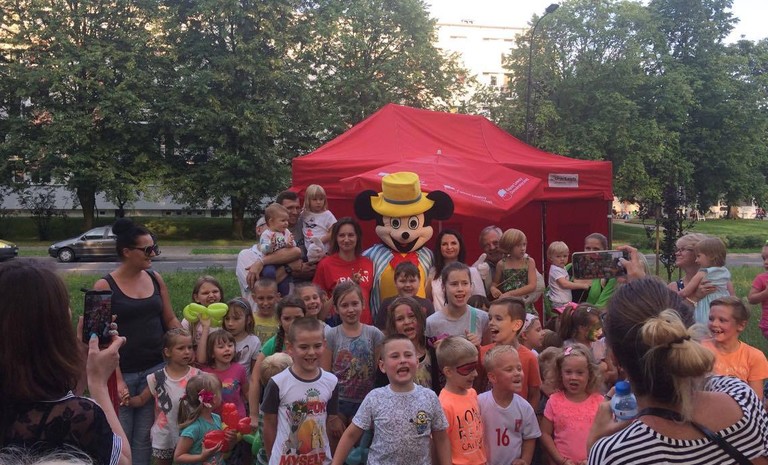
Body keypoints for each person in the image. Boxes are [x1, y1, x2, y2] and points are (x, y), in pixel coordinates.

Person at [587, 276, 768, 465]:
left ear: (614, 357)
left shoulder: (617, 454)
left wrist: (594, 444)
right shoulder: (743, 399)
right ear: (685, 335)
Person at [0, 259, 131, 465]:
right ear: (49, 323)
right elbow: (123, 460)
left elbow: (57, 399)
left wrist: (82, 355)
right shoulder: (81, 416)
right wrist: (97, 383)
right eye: (64, 304)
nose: (69, 311)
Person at [93, 218, 180, 465]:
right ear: (126, 252)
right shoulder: (104, 285)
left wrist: (187, 344)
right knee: (120, 437)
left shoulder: (155, 278)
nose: (153, 253)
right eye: (147, 249)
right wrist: (118, 377)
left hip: (155, 370)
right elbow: (99, 338)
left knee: (144, 437)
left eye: (154, 247)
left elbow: (169, 319)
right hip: (122, 373)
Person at [331, 334, 451, 465]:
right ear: (382, 366)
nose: (402, 360)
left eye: (408, 355)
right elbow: (350, 435)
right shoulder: (375, 398)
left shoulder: (429, 397)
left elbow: (441, 438)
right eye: (395, 356)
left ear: (417, 362)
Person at [261, 317, 344, 465]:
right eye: (304, 347)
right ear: (290, 347)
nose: (311, 352)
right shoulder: (278, 383)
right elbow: (269, 424)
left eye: (317, 346)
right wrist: (271, 458)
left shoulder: (331, 382)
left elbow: (330, 424)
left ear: (324, 344)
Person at [127, 329, 200, 465]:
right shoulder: (157, 377)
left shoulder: (197, 376)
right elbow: (142, 399)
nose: (187, 352)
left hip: (190, 431)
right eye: (181, 348)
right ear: (167, 352)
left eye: (190, 347)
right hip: (164, 432)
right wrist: (129, 401)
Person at [321, 282, 385, 425]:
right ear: (336, 309)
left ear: (363, 304)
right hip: (338, 402)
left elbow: (376, 369)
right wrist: (332, 414)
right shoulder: (331, 335)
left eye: (355, 304)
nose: (350, 310)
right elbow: (325, 374)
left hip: (365, 401)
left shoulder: (374, 334)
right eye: (344, 305)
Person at [247, 296, 308, 426]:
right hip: (275, 409)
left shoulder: (313, 344)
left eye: (298, 318)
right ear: (279, 320)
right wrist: (253, 415)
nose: (293, 323)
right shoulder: (272, 344)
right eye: (287, 318)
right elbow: (255, 379)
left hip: (305, 406)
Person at [539, 344, 603, 465]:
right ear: (560, 373)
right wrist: (560, 460)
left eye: (580, 373)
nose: (574, 377)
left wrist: (592, 459)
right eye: (568, 372)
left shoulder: (599, 402)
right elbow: (545, 433)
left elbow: (605, 435)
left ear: (590, 374)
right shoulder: (554, 401)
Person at [478, 345, 540, 465]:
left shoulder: (525, 408)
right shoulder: (480, 402)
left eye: (519, 368)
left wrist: (524, 460)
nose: (517, 373)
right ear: (493, 377)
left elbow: (530, 437)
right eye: (509, 370)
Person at [478, 297, 541, 407]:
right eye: (490, 318)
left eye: (498, 319)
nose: (491, 323)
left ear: (516, 325)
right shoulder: (482, 352)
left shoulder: (529, 357)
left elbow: (534, 394)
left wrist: (528, 415)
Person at [702, 296, 768, 400]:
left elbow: (756, 400)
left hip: (739, 408)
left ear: (741, 325)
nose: (714, 324)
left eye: (722, 320)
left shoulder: (754, 356)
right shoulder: (699, 350)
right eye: (711, 319)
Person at [313, 217, 374, 324]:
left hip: (366, 327)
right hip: (337, 327)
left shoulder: (368, 263)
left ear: (357, 237)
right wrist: (338, 292)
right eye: (341, 235)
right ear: (335, 238)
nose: (346, 240)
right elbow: (318, 312)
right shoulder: (325, 265)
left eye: (351, 235)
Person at [436, 336, 487, 465]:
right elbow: (439, 443)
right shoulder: (444, 405)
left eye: (475, 367)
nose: (475, 374)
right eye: (468, 369)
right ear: (448, 371)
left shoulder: (472, 393)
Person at [382, 296, 441, 392]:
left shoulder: (432, 346)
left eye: (411, 316)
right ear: (393, 325)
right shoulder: (389, 351)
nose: (407, 322)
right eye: (400, 319)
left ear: (420, 318)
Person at [426, 262, 490, 347]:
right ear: (443, 287)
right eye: (454, 284)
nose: (460, 289)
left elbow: (490, 351)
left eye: (465, 283)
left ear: (471, 286)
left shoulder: (483, 318)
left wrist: (479, 347)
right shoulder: (431, 323)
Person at [174, 373, 232, 465]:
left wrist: (230, 440)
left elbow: (221, 447)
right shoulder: (194, 428)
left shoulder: (216, 418)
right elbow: (178, 457)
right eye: (220, 392)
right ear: (214, 399)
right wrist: (201, 457)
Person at [196, 298, 261, 377]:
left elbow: (255, 372)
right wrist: (206, 328)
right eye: (227, 318)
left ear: (248, 320)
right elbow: (201, 359)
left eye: (236, 319)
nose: (230, 323)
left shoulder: (254, 341)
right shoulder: (218, 336)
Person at [427, 230, 487, 313]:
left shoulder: (472, 272)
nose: (449, 247)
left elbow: (481, 303)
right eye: (444, 244)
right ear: (439, 247)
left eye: (453, 243)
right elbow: (427, 299)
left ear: (460, 246)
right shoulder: (433, 273)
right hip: (440, 319)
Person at [558, 304, 616, 388]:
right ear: (581, 328)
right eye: (596, 328)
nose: (600, 331)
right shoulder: (569, 348)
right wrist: (599, 369)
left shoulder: (601, 344)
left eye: (600, 326)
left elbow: (614, 374)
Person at [680, 236, 734, 325]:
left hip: (706, 308)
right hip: (723, 307)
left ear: (711, 256)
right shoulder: (725, 272)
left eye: (698, 256)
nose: (696, 260)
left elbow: (685, 292)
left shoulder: (703, 273)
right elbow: (732, 296)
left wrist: (675, 295)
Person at [199, 331, 248, 418]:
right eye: (221, 347)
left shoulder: (240, 369)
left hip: (237, 418)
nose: (227, 349)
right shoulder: (205, 373)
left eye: (230, 345)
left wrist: (253, 414)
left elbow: (247, 392)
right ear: (212, 353)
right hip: (214, 420)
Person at [375, 261, 435, 330]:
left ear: (419, 282)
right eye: (403, 281)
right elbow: (381, 331)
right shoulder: (387, 304)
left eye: (412, 281)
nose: (407, 285)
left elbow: (432, 330)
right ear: (395, 282)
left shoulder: (427, 304)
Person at [490, 229, 537, 309]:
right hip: (508, 304)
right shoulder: (501, 264)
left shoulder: (529, 262)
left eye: (524, 244)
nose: (523, 248)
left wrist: (510, 294)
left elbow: (532, 285)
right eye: (518, 245)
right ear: (509, 246)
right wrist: (493, 288)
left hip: (524, 303)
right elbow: (495, 282)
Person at [258, 203, 296, 297]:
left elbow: (294, 246)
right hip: (270, 262)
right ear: (271, 222)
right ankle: (270, 292)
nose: (286, 223)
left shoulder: (286, 232)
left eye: (287, 220)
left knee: (285, 285)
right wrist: (270, 246)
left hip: (283, 261)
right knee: (269, 273)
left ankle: (283, 296)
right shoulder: (266, 234)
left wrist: (290, 244)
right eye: (283, 220)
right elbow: (263, 249)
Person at [570, 233, 616, 307]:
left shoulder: (610, 275)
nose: (591, 252)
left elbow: (601, 306)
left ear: (605, 250)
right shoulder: (570, 267)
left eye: (596, 249)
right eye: (588, 248)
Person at [182, 276, 224, 348]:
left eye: (215, 291)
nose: (211, 295)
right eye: (205, 293)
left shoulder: (227, 317)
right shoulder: (189, 321)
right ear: (196, 298)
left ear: (220, 295)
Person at [547, 241, 590, 309]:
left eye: (565, 256)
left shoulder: (561, 267)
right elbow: (564, 284)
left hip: (563, 301)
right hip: (559, 302)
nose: (562, 259)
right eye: (558, 256)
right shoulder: (555, 270)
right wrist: (583, 285)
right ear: (551, 257)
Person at [300, 184, 337, 255]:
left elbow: (334, 231)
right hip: (308, 251)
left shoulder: (327, 215)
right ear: (308, 200)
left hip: (323, 250)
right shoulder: (304, 213)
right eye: (314, 199)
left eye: (321, 199)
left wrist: (319, 241)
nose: (318, 202)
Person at [250, 279, 280, 345]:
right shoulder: (250, 320)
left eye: (270, 298)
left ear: (277, 297)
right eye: (261, 298)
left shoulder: (282, 320)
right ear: (254, 298)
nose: (265, 303)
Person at [748, 241, 768, 340]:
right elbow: (751, 299)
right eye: (764, 258)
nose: (766, 262)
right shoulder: (761, 279)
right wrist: (765, 293)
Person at [477, 226, 504, 293]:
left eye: (495, 243)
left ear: (503, 242)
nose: (492, 248)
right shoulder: (480, 269)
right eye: (487, 245)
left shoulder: (518, 261)